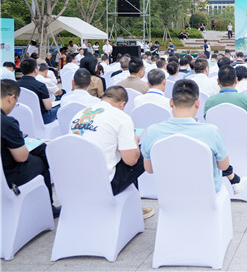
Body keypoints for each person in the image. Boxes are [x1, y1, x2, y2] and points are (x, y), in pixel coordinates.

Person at [141, 79, 247, 194]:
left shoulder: (152, 132)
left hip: (169, 193)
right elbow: (223, 166)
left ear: (171, 102)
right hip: (207, 193)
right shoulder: (211, 132)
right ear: (197, 103)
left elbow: (149, 169)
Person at [68, 86, 153, 219]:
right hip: (105, 184)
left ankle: (133, 203)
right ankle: (134, 208)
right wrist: (134, 142)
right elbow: (131, 160)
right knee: (142, 152)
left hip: (75, 181)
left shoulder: (80, 114)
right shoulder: (121, 117)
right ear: (122, 104)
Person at [1, 79, 60, 217]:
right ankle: (48, 207)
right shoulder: (6, 123)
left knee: (39, 149)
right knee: (40, 160)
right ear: (11, 98)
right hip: (8, 174)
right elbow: (21, 157)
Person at [204, 66, 247, 183]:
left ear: (218, 81)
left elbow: (208, 123)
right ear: (236, 80)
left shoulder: (210, 101)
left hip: (217, 145)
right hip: (244, 143)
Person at [17, 58, 59, 124]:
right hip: (42, 118)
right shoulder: (40, 86)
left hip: (22, 116)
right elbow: (48, 107)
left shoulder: (14, 85)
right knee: (61, 106)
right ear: (35, 70)